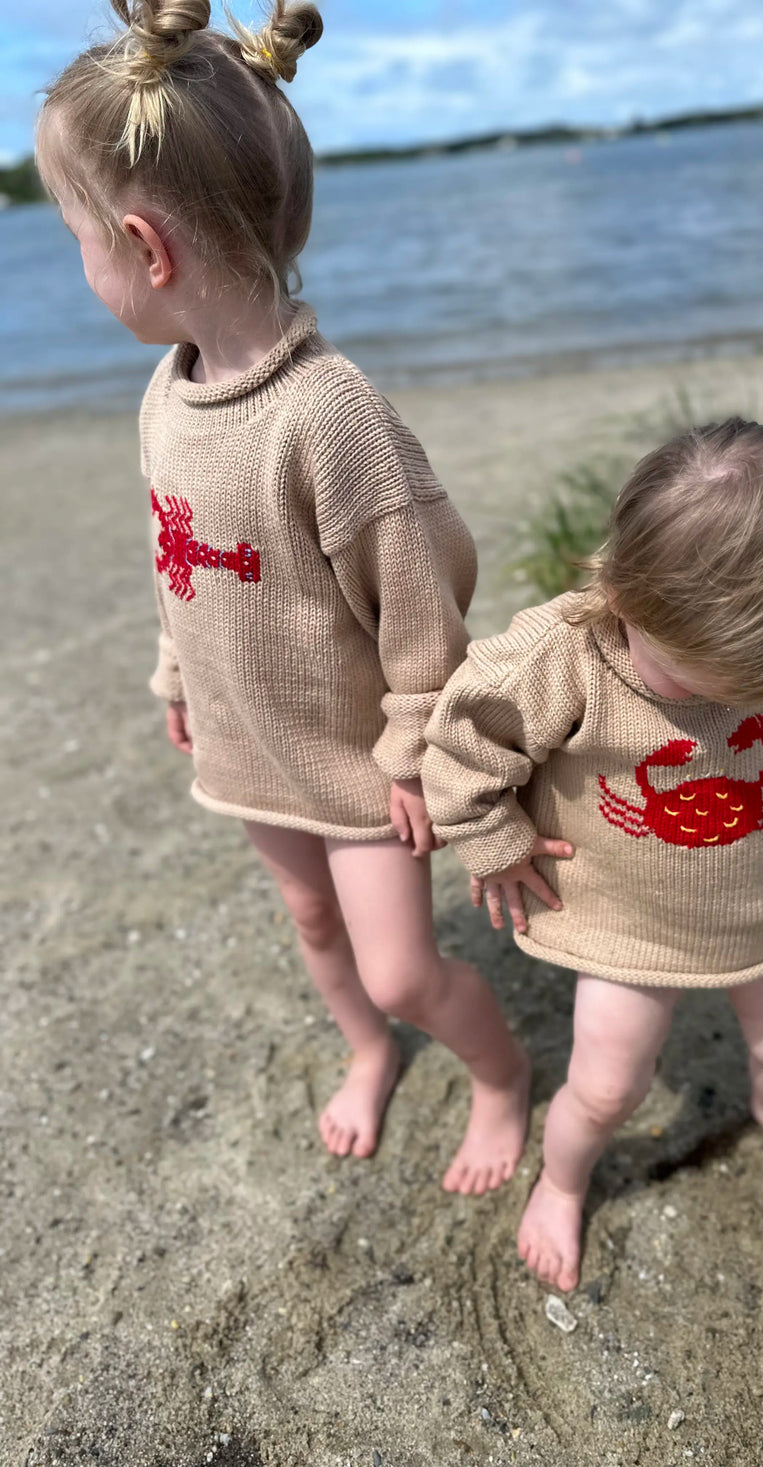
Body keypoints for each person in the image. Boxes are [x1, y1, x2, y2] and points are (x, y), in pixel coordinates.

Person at [36, 0, 529, 1194]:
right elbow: (177, 562)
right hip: (248, 744)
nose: (82, 269)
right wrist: (174, 677)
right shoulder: (168, 394)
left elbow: (423, 592)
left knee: (406, 967)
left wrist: (413, 745)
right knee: (313, 927)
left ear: (148, 250)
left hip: (357, 765)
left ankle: (501, 1076)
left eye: (78, 242)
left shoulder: (329, 413)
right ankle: (366, 1049)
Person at [422, 418, 763, 1288]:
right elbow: (459, 744)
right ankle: (560, 1181)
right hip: (625, 929)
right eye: (693, 680)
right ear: (622, 591)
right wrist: (497, 842)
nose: (720, 698)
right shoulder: (563, 658)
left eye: (751, 682)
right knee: (608, 1087)